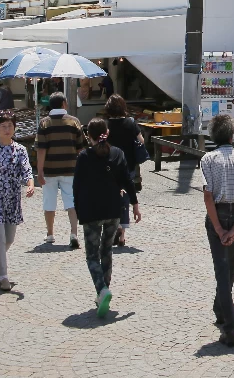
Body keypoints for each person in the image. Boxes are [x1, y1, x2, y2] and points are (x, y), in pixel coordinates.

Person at [73, 117, 139, 318]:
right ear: (107, 133)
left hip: (92, 212)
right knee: (107, 250)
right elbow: (128, 180)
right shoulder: (117, 154)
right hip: (113, 211)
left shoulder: (84, 157)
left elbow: (77, 188)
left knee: (92, 254)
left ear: (88, 136)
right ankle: (104, 291)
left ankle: (102, 290)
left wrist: (78, 211)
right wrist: (135, 204)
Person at [200, 113, 234, 347]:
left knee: (222, 270)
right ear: (233, 135)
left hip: (218, 214)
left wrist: (220, 228)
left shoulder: (208, 160)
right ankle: (219, 308)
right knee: (229, 266)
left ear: (213, 135)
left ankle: (230, 327)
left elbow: (208, 197)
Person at [0, 111, 35, 291]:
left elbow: (26, 170)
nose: (7, 129)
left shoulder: (20, 150)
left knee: (8, 238)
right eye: (4, 126)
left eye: (10, 126)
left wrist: (30, 184)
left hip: (11, 198)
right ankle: (3, 276)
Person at [36, 93, 84, 249]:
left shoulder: (44, 123)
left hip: (50, 169)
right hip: (70, 169)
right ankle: (74, 233)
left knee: (49, 201)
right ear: (64, 103)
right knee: (71, 201)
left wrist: (40, 169)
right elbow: (80, 148)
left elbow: (41, 149)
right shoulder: (74, 121)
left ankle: (50, 234)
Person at [105, 94, 146, 246]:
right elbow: (141, 141)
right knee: (126, 197)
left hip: (110, 165)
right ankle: (122, 232)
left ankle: (113, 227)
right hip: (128, 164)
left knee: (111, 196)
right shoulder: (130, 123)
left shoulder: (106, 125)